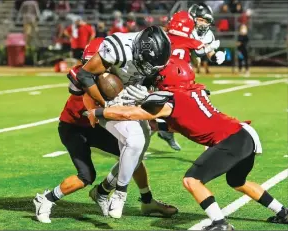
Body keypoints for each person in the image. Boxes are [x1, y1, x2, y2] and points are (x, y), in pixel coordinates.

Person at [86, 57, 288, 230]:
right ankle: (283, 212)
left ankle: (219, 223)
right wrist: (157, 125)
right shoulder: (195, 90)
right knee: (238, 182)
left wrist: (98, 112)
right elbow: (184, 123)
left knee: (192, 180)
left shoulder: (171, 101)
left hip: (231, 139)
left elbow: (130, 114)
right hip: (245, 134)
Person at [33, 37, 177, 223]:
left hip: (99, 123)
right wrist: (111, 103)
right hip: (75, 127)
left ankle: (144, 200)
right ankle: (46, 199)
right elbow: (90, 105)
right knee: (86, 175)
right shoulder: (83, 76)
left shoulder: (120, 70)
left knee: (134, 155)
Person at [67, 25, 175, 218]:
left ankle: (103, 191)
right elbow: (84, 76)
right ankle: (120, 194)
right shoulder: (118, 47)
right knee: (134, 142)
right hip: (107, 102)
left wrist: (147, 93)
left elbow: (152, 79)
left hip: (130, 99)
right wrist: (107, 103)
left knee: (138, 150)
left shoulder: (157, 53)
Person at [155, 10, 225, 150]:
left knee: (155, 112)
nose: (201, 23)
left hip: (163, 78)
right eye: (199, 20)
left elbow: (202, 53)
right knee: (196, 114)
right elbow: (200, 50)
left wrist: (214, 56)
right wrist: (211, 49)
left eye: (205, 21)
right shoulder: (188, 38)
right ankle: (210, 144)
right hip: (178, 82)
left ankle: (161, 131)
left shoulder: (163, 36)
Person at [188, 3, 225, 74]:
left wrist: (215, 57)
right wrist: (209, 48)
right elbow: (197, 52)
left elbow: (209, 53)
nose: (204, 23)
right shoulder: (186, 30)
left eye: (206, 21)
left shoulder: (208, 34)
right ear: (192, 18)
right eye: (201, 20)